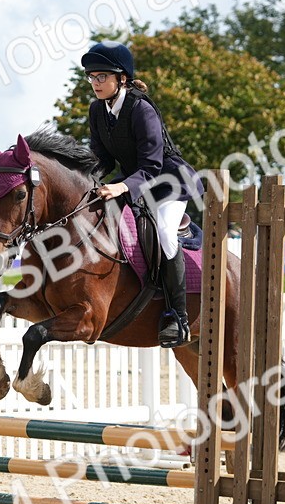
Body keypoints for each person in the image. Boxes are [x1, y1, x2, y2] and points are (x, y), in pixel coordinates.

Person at [82, 40, 200, 348]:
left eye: (101, 77)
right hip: (137, 181)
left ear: (121, 79)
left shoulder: (141, 109)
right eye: (92, 77)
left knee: (164, 232)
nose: (95, 83)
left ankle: (179, 316)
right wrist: (84, 180)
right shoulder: (98, 110)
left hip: (170, 182)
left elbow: (152, 164)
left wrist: (121, 186)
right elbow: (103, 160)